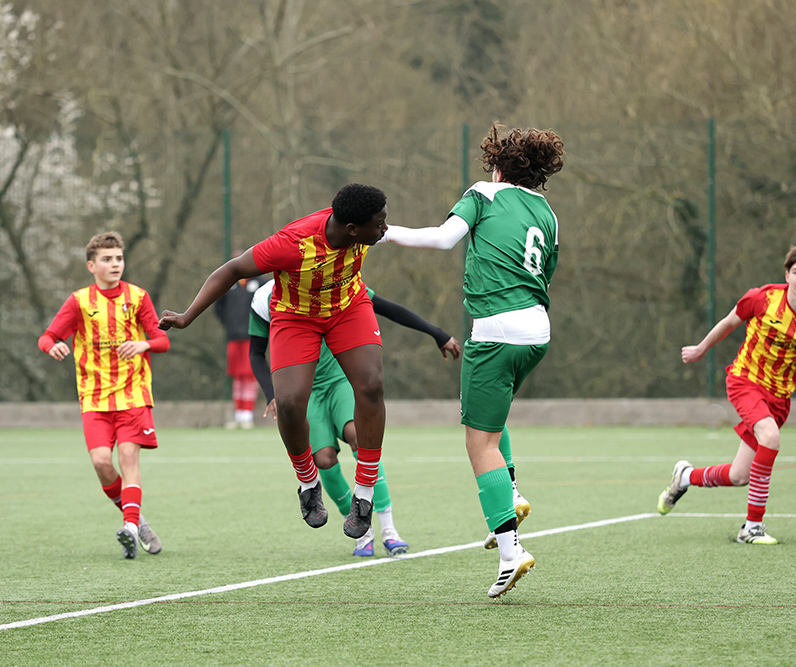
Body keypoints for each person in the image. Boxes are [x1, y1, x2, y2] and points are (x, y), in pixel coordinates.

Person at [383, 122, 564, 597]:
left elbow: (444, 239)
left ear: (498, 165)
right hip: (537, 332)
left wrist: (384, 234)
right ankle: (513, 492)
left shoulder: (484, 193)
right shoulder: (548, 212)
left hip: (496, 331)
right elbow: (545, 272)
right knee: (486, 412)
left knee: (477, 442)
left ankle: (511, 551)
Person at [159, 184, 390, 539]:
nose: (385, 228)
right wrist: (188, 316)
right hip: (296, 317)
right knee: (289, 402)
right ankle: (308, 483)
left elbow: (425, 237)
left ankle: (364, 493)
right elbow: (232, 270)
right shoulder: (293, 243)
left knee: (372, 385)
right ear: (353, 230)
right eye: (380, 223)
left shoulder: (367, 230)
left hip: (348, 308)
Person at [658, 240, 796, 544]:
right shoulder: (762, 298)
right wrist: (701, 348)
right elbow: (729, 322)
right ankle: (751, 527)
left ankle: (685, 477)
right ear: (787, 275)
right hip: (745, 381)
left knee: (739, 476)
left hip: (780, 395)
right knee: (771, 438)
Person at [248, 278, 461, 556]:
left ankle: (388, 529)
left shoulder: (330, 276)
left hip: (339, 378)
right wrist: (271, 393)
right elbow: (255, 352)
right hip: (305, 389)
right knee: (323, 458)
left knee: (358, 436)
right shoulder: (264, 300)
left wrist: (437, 333)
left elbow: (385, 307)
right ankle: (362, 529)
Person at [37, 231, 170, 559]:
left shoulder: (138, 297)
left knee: (128, 457)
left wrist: (144, 343)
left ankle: (129, 527)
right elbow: (48, 336)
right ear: (91, 266)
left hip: (133, 394)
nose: (115, 264)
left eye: (119, 258)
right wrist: (53, 346)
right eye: (107, 259)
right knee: (100, 463)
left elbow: (163, 341)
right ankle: (136, 520)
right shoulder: (79, 301)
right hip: (94, 398)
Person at [213, 252, 263, 429]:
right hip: (234, 337)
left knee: (250, 376)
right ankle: (238, 414)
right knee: (237, 376)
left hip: (253, 337)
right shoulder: (228, 283)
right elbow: (217, 306)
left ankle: (247, 415)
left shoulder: (260, 283)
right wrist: (229, 324)